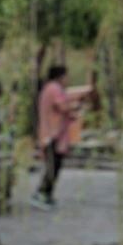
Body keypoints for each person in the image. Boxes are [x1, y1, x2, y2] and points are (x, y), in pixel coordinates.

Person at [32, 65, 85, 210]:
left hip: (55, 133)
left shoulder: (51, 88)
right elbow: (62, 106)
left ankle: (47, 194)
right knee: (52, 166)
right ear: (60, 76)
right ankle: (41, 193)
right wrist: (76, 105)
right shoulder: (54, 88)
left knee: (55, 165)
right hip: (52, 134)